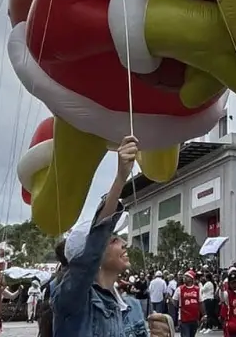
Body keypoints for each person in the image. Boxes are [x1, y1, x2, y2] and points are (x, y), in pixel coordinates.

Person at [52, 135, 172, 337]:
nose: (125, 243)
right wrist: (120, 178)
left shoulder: (132, 306)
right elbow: (94, 245)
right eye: (114, 239)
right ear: (94, 254)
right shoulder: (72, 301)